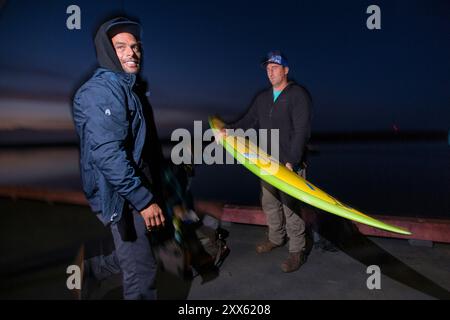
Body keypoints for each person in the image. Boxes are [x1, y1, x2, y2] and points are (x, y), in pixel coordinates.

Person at [72, 17, 166, 300]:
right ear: (107, 51)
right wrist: (144, 200)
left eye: (135, 47)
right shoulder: (101, 91)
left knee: (139, 252)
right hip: (122, 196)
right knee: (142, 273)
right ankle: (95, 270)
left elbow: (137, 145)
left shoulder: (127, 87)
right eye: (121, 47)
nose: (132, 53)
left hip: (133, 188)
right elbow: (108, 155)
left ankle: (93, 270)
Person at [221, 50, 312, 272]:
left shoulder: (298, 95)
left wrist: (292, 160)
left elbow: (302, 130)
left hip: (289, 165)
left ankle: (296, 250)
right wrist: (229, 131)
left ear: (286, 70)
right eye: (267, 69)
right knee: (270, 203)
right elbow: (248, 120)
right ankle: (276, 238)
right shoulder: (262, 98)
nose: (270, 72)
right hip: (266, 163)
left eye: (275, 68)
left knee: (291, 208)